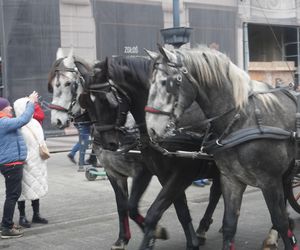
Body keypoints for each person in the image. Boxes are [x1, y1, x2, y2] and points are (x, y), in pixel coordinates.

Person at [0, 91, 38, 239]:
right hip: (11, 164)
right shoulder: (3, 123)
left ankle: (6, 223)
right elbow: (23, 119)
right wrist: (31, 103)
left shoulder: (5, 121)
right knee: (12, 195)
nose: (10, 108)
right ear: (1, 109)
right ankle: (7, 227)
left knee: (12, 194)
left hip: (10, 163)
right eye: (7, 107)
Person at [14, 98, 48, 228]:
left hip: (38, 162)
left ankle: (36, 214)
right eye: (29, 106)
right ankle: (22, 216)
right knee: (22, 190)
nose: (31, 108)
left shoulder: (35, 123)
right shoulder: (18, 124)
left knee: (36, 187)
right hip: (25, 163)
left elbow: (41, 141)